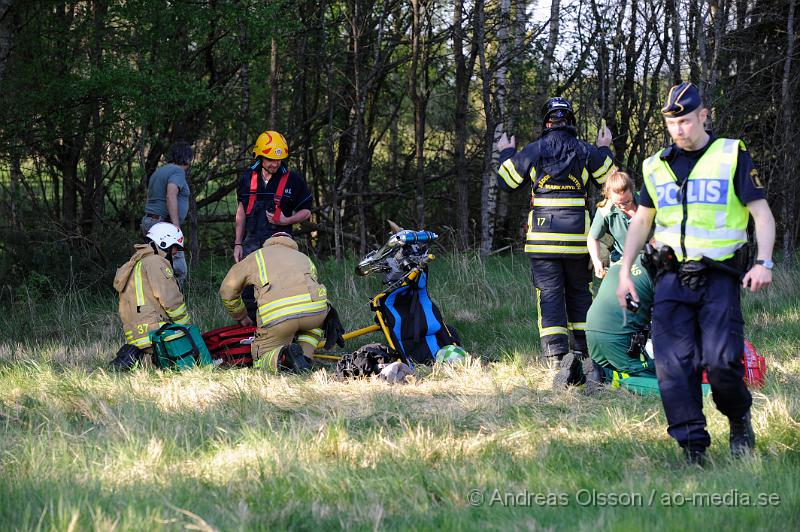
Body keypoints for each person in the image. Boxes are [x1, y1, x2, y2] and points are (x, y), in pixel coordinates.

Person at [616, 82, 776, 465]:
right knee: (673, 365)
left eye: (686, 121)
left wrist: (764, 262)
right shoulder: (655, 165)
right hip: (670, 277)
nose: (679, 130)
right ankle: (693, 447)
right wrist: (624, 271)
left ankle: (738, 420)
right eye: (672, 124)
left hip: (719, 276)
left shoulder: (731, 155)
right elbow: (641, 221)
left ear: (704, 115)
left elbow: (762, 215)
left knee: (721, 362)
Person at [497, 96, 615, 386]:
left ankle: (557, 360)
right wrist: (603, 148)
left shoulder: (534, 151)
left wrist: (506, 151)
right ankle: (587, 356)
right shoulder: (587, 151)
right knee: (580, 294)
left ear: (546, 123)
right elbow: (613, 180)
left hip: (542, 242)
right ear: (571, 122)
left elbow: (506, 181)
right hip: (579, 242)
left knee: (548, 296)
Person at [219, 232, 329, 373]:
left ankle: (284, 356)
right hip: (315, 313)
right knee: (314, 323)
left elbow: (227, 290)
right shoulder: (304, 258)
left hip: (278, 318)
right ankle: (306, 356)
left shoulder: (256, 256)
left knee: (260, 360)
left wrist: (241, 315)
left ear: (269, 242)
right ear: (291, 244)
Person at [234, 130, 313, 321]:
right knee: (248, 287)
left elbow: (306, 211)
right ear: (260, 156)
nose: (275, 163)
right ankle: (252, 329)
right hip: (251, 242)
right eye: (270, 159)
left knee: (280, 286)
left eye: (279, 159)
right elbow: (241, 212)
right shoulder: (247, 178)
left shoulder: (293, 180)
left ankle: (281, 326)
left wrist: (286, 221)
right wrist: (238, 243)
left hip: (280, 244)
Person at [109, 222, 192, 370]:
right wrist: (187, 327)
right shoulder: (156, 262)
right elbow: (170, 299)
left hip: (136, 338)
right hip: (155, 333)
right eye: (174, 247)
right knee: (191, 358)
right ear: (163, 242)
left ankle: (135, 359)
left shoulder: (136, 263)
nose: (175, 252)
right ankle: (146, 361)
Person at [141, 141, 194, 289]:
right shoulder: (177, 172)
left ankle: (154, 301)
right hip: (163, 226)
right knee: (178, 269)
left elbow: (150, 197)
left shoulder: (159, 171)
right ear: (188, 159)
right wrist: (175, 229)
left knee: (156, 266)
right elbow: (171, 195)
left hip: (149, 221)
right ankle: (175, 303)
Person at [588, 170, 640, 279]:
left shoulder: (647, 202)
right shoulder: (606, 209)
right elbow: (592, 237)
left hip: (650, 259)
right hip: (623, 261)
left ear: (633, 191)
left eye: (627, 202)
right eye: (617, 203)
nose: (622, 206)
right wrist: (596, 260)